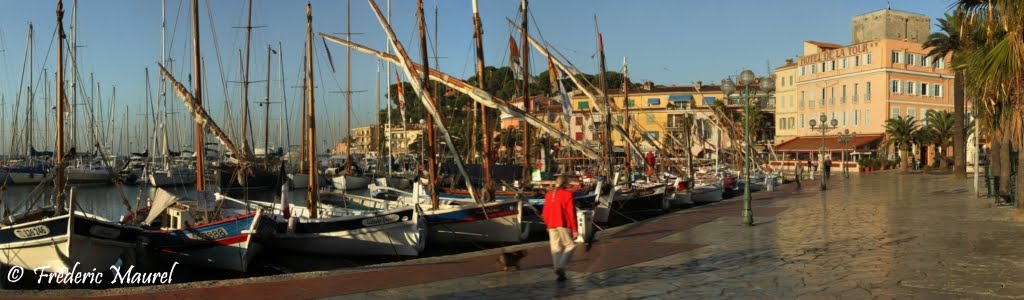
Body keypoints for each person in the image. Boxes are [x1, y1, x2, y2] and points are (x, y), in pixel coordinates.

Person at [542, 174, 578, 282]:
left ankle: (559, 272)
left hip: (551, 224)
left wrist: (547, 224)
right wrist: (575, 229)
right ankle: (561, 267)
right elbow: (571, 213)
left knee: (556, 249)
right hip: (563, 223)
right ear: (565, 183)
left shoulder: (548, 195)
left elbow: (544, 213)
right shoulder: (567, 194)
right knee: (570, 246)